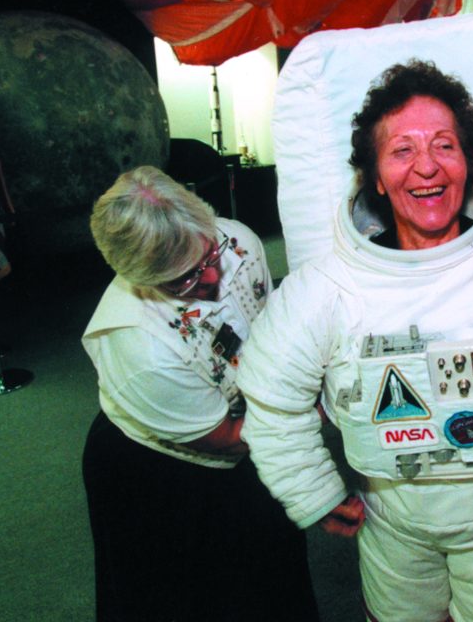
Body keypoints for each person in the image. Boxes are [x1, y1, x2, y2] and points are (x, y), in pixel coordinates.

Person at [237, 60, 473, 622]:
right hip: (392, 524)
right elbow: (272, 398)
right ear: (375, 177)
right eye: (402, 150)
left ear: (468, 163)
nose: (427, 166)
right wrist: (311, 489)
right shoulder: (330, 286)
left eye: (445, 146)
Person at [81, 165, 319, 622]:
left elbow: (268, 328)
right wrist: (307, 414)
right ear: (139, 276)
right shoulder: (139, 346)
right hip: (163, 469)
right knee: (182, 596)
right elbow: (225, 438)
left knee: (275, 566)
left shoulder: (237, 241)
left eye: (209, 255)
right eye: (182, 280)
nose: (209, 278)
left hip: (248, 417)